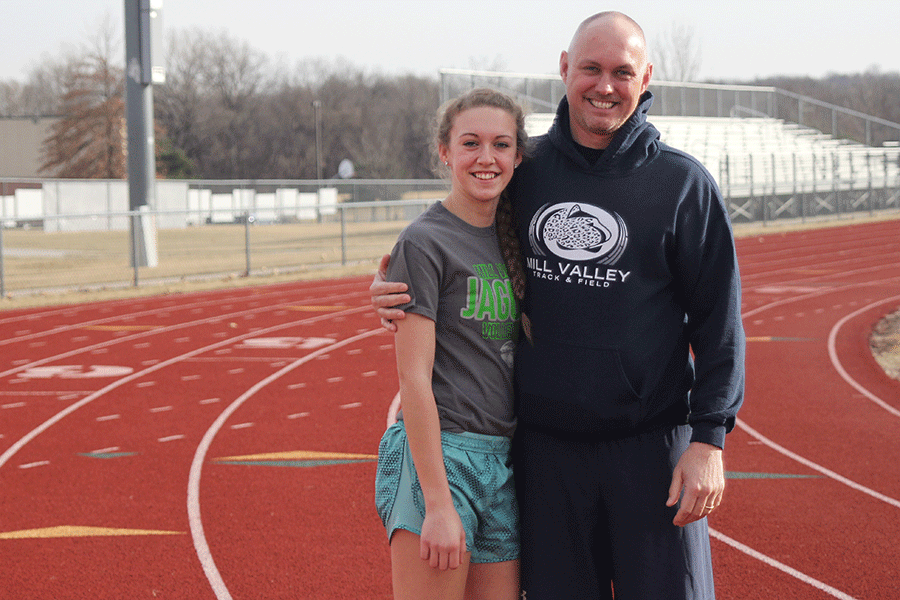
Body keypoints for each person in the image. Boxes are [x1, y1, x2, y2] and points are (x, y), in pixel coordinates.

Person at [371, 11, 746, 600]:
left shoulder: (683, 186)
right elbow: (455, 240)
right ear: (565, 69)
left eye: (622, 72)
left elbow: (721, 330)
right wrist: (394, 283)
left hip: (650, 449)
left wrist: (710, 441)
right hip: (545, 456)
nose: (604, 85)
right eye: (590, 68)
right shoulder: (525, 170)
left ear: (645, 78)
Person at [373, 88, 527, 600]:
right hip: (442, 459)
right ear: (445, 152)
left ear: (518, 156)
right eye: (471, 143)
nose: (487, 158)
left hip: (501, 461)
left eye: (501, 144)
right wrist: (438, 502)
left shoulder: (518, 236)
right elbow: (413, 378)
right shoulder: (424, 241)